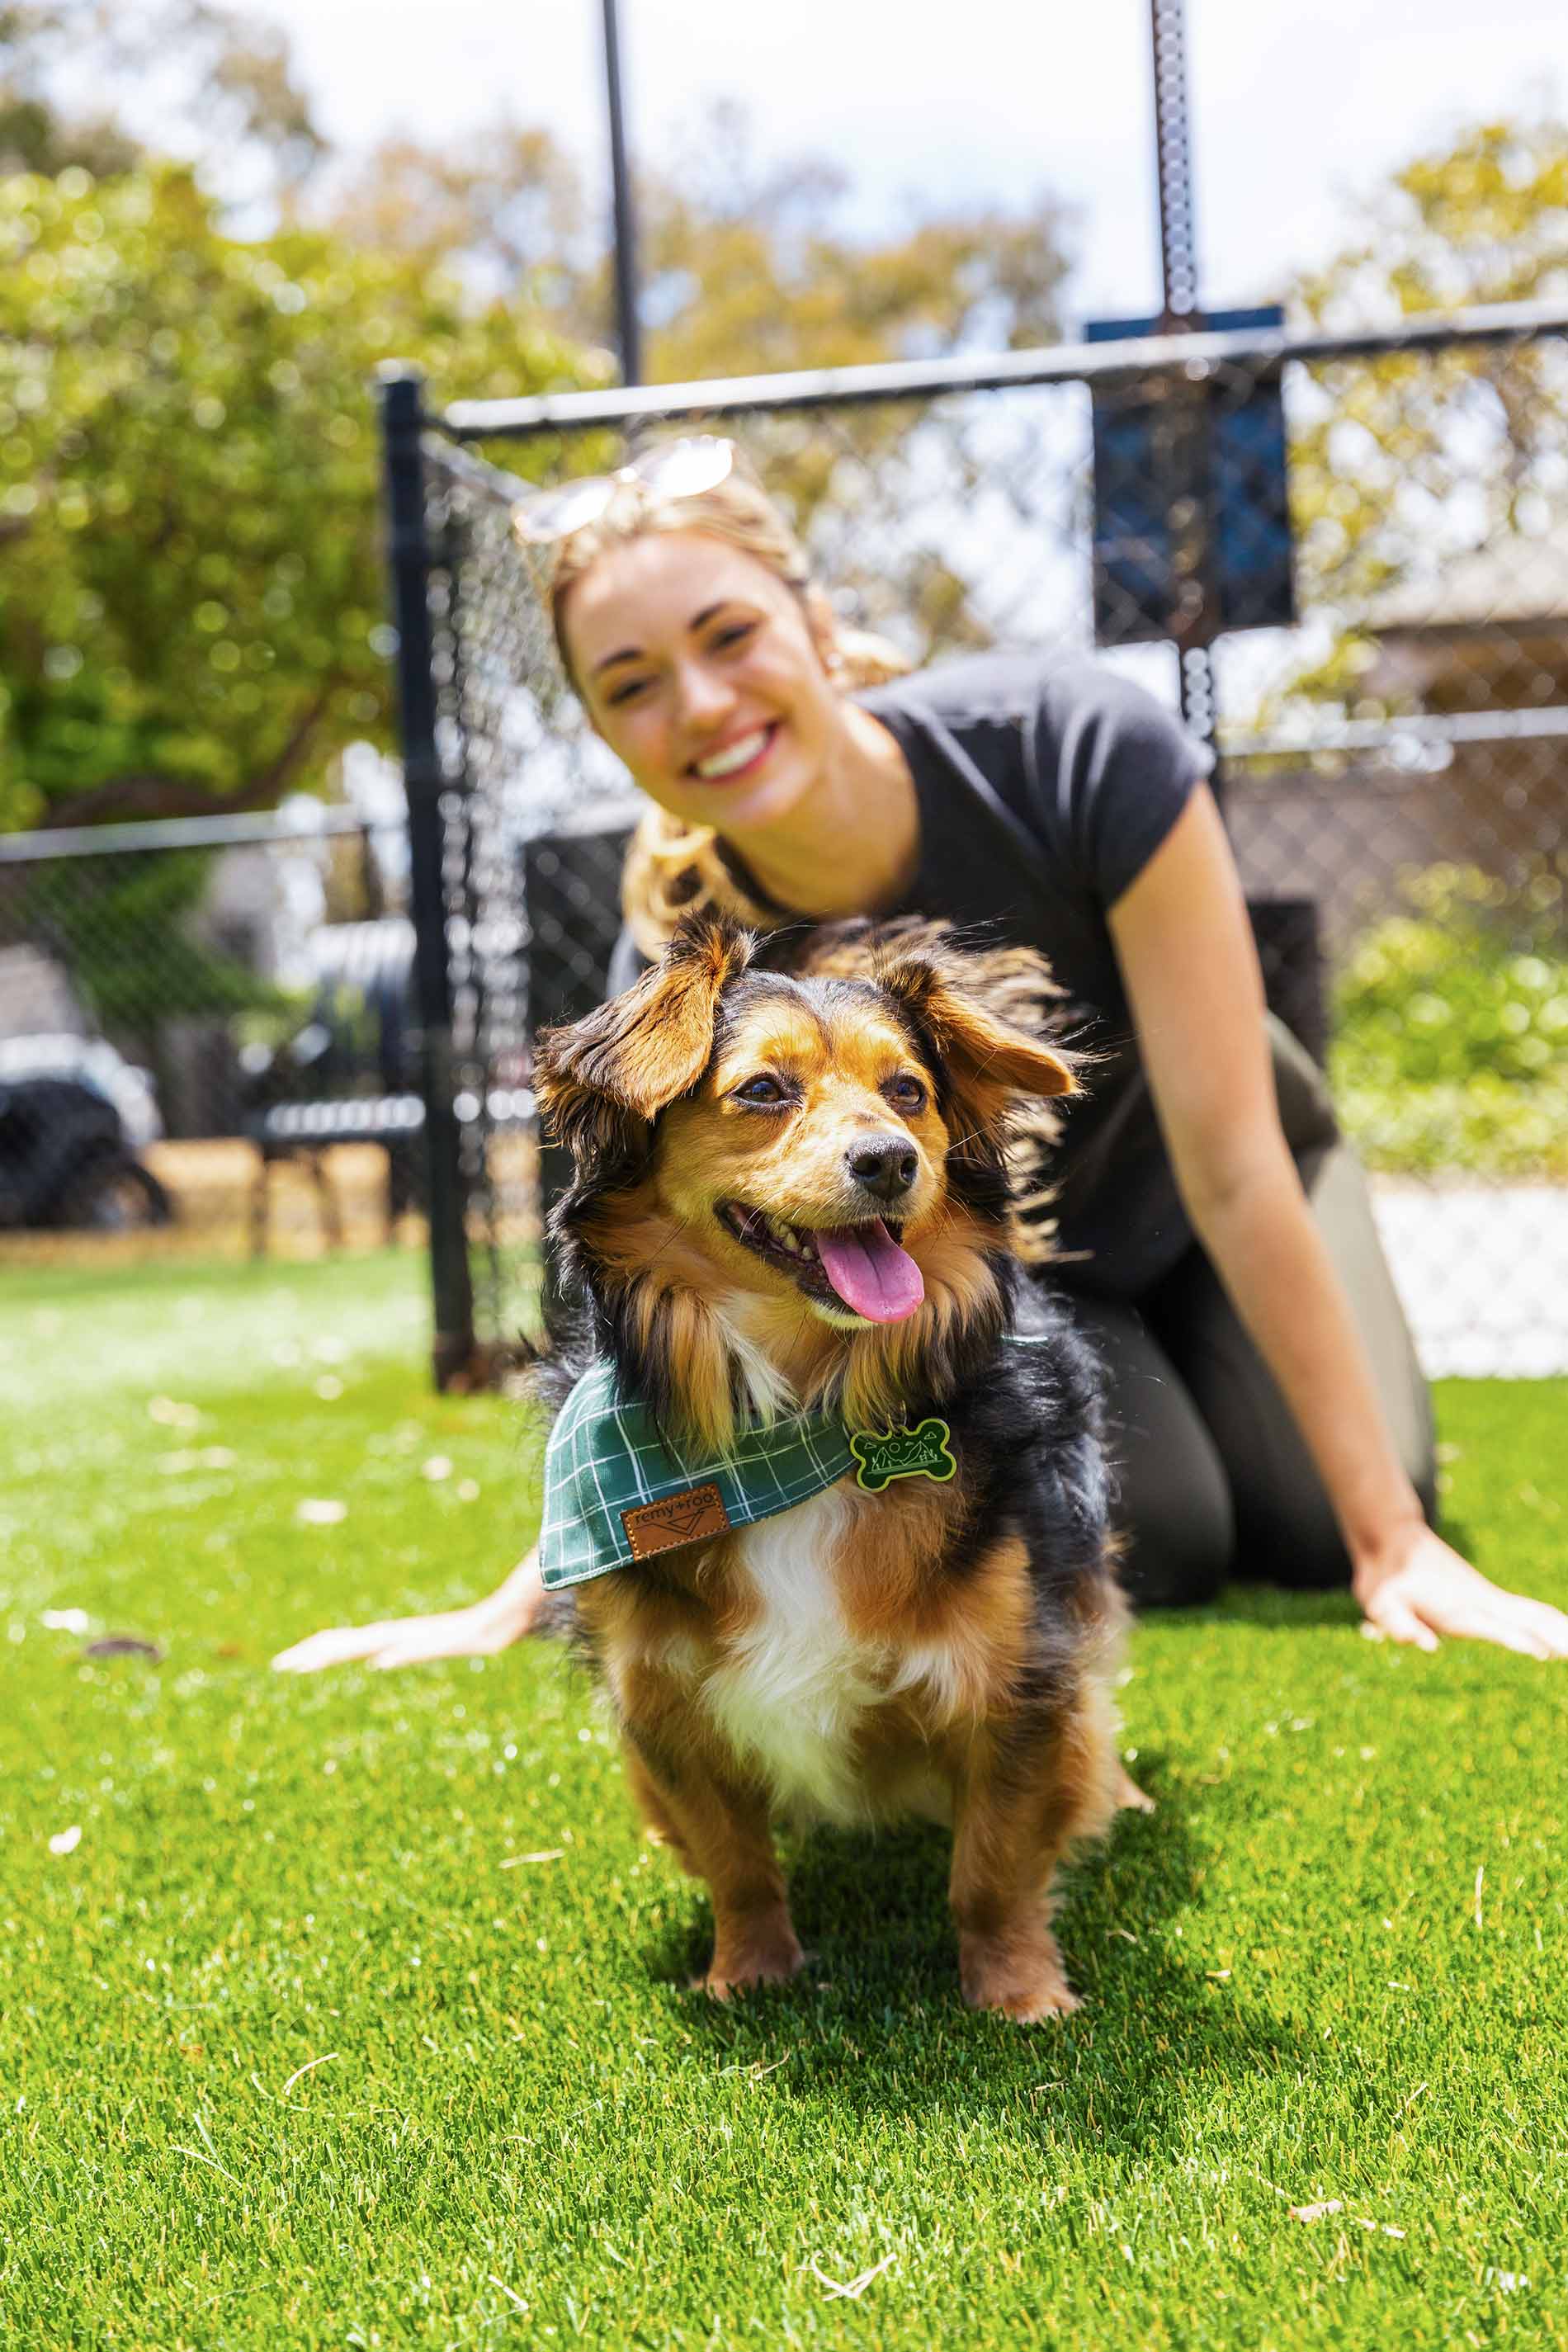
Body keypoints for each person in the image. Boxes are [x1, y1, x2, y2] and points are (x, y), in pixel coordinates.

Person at [274, 437, 1568, 1674]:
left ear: (816, 627)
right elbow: (649, 1279)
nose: (702, 702)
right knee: (1165, 1530)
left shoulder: (1076, 750)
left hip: (1224, 1168)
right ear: (609, 736)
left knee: (1308, 1520)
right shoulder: (679, 963)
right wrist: (542, 1580)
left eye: (730, 637)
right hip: (1005, 1260)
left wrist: (1391, 1541)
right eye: (633, 683)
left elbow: (1232, 1159)